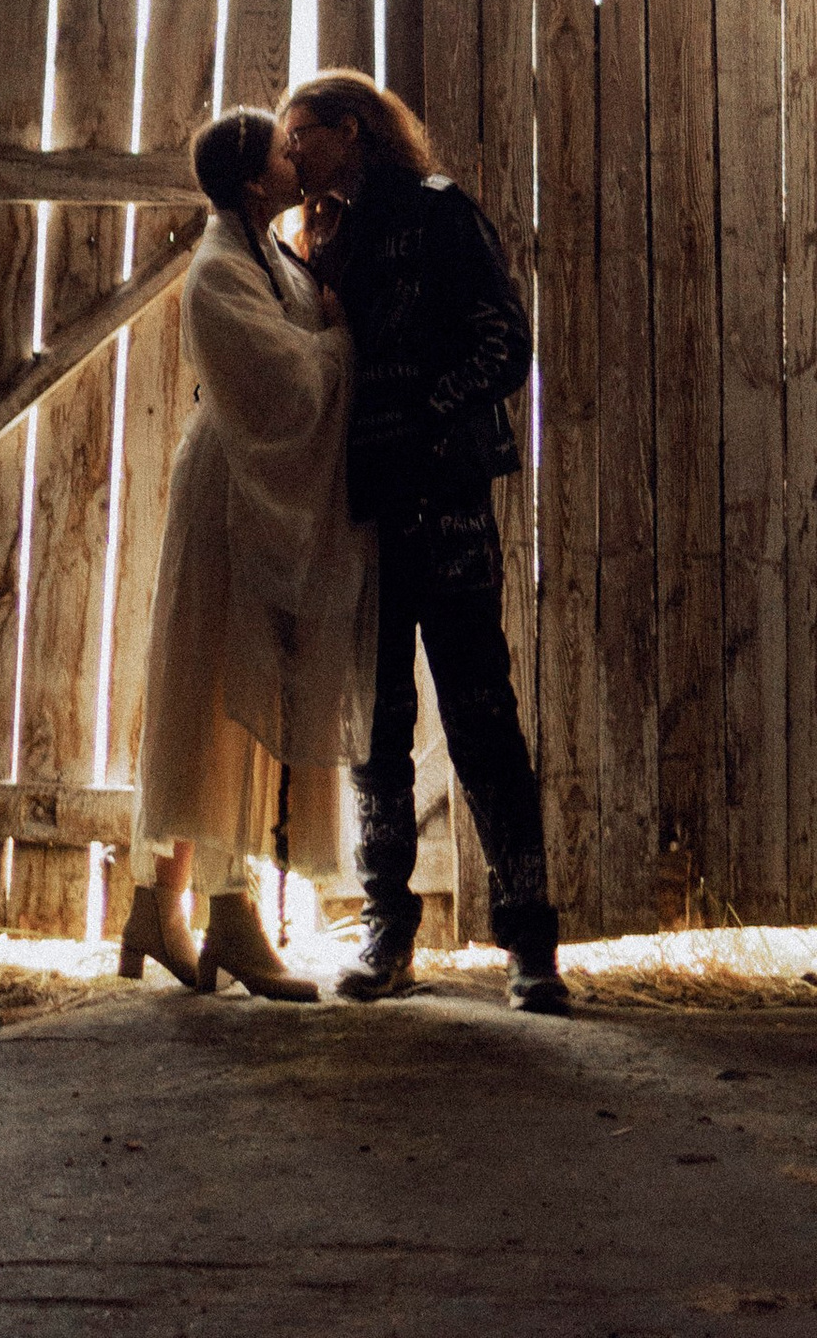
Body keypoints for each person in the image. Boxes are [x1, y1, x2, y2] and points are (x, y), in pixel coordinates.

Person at [279, 71, 569, 1015]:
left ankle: (532, 950)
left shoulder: (441, 214)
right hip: (366, 512)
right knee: (378, 731)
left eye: (302, 135)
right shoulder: (326, 234)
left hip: (444, 506)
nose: (290, 156)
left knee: (483, 716)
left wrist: (424, 417)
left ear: (350, 130)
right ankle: (388, 936)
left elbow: (505, 343)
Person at [120, 104, 377, 1001]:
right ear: (250, 177)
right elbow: (287, 381)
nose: (294, 155)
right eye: (281, 148)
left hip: (251, 488)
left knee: (232, 689)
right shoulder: (220, 272)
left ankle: (163, 910)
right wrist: (346, 340)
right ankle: (229, 916)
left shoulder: (266, 253)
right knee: (228, 691)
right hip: (232, 495)